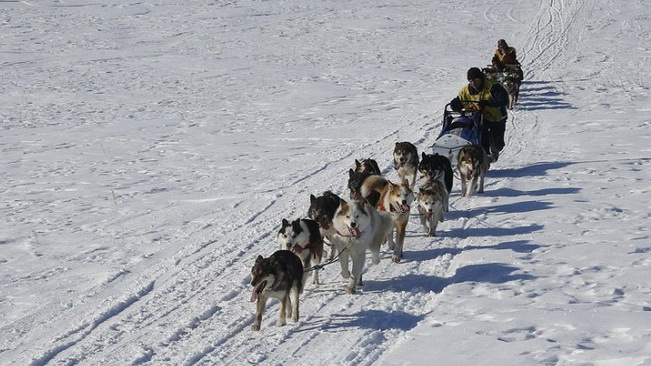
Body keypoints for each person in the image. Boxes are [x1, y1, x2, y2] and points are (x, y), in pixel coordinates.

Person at [450, 67, 509, 162]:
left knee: (498, 144)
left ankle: (494, 151)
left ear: (481, 78)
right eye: (471, 81)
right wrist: (455, 104)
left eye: (476, 80)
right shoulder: (465, 91)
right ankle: (484, 157)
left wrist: (487, 103)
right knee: (481, 140)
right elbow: (460, 101)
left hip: (496, 118)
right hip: (477, 119)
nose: (473, 83)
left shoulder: (492, 86)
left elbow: (504, 100)